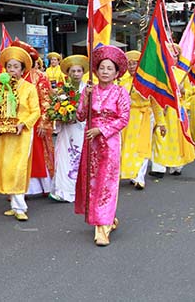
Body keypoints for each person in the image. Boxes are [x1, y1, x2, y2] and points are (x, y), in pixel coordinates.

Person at [74, 45, 131, 247]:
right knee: (92, 183)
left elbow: (124, 119)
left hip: (109, 143)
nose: (105, 72)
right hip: (91, 144)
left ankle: (102, 228)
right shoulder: (89, 90)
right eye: (102, 68)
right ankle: (104, 219)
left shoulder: (121, 93)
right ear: (96, 71)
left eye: (110, 69)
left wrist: (102, 130)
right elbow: (80, 115)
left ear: (116, 73)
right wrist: (86, 98)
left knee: (106, 185)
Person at [0, 47, 40, 220]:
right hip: (4, 133)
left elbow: (36, 111)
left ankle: (20, 207)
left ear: (23, 70)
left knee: (18, 167)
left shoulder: (29, 88)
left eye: (16, 67)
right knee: (6, 167)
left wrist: (23, 124)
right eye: (9, 67)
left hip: (21, 134)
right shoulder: (1, 88)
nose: (12, 70)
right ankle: (14, 204)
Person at [11, 41, 55, 196]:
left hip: (35, 121)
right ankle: (19, 188)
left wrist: (44, 122)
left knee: (37, 154)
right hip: (14, 123)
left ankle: (44, 187)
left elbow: (46, 101)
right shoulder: (9, 78)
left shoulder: (39, 77)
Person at [150, 44, 195, 177]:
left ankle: (177, 165)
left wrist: (183, 91)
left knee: (177, 138)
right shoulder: (159, 73)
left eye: (175, 55)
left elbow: (191, 91)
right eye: (170, 54)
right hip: (161, 108)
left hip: (176, 111)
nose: (173, 57)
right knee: (159, 135)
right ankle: (158, 167)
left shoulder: (182, 74)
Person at [119, 50, 162, 190]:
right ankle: (132, 173)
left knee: (143, 147)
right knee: (128, 147)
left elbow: (156, 103)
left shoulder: (148, 83)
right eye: (129, 64)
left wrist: (160, 122)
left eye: (134, 64)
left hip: (144, 117)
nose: (131, 67)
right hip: (128, 119)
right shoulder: (122, 83)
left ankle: (140, 177)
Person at [49, 55, 88, 202]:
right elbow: (56, 109)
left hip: (82, 129)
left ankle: (82, 191)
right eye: (73, 71)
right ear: (68, 73)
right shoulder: (62, 90)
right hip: (66, 130)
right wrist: (61, 116)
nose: (76, 74)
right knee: (65, 157)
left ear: (83, 72)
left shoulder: (89, 90)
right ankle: (64, 190)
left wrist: (79, 115)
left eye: (79, 71)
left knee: (80, 157)